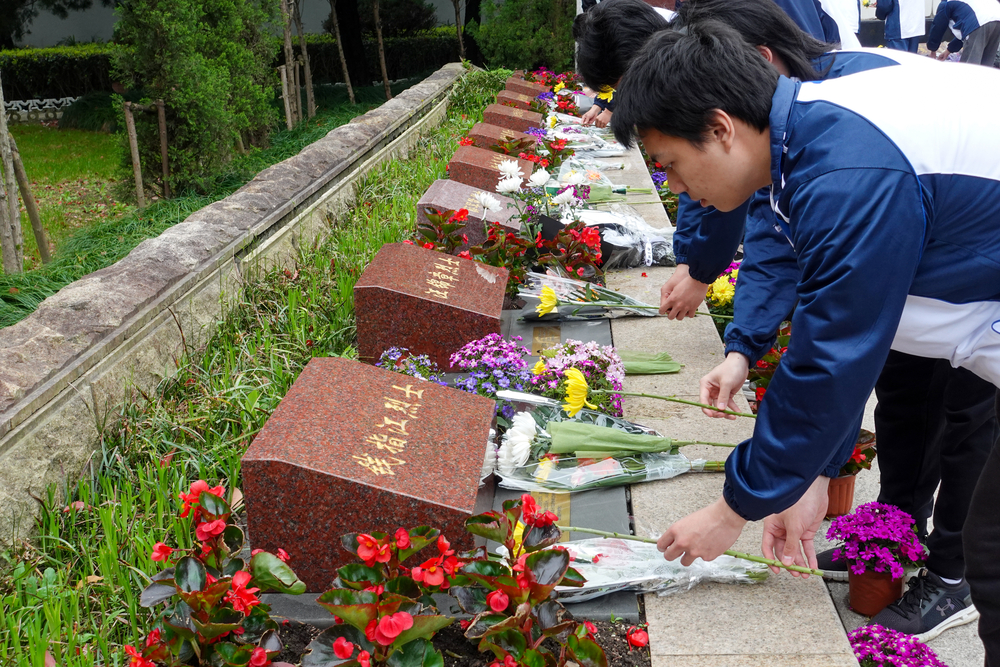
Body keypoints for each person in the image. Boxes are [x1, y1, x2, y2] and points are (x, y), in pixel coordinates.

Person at [611, 23, 1000, 663]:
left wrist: (732, 510)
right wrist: (814, 472)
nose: (676, 188)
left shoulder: (847, 169)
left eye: (672, 164)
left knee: (991, 557)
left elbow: (832, 355)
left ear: (720, 128)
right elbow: (844, 332)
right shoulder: (806, 141)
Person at [926, 0, 1000, 64]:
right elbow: (964, 33)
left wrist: (933, 49)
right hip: (997, 17)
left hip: (980, 21)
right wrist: (949, 50)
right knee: (986, 64)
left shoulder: (946, 3)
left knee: (970, 65)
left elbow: (938, 27)